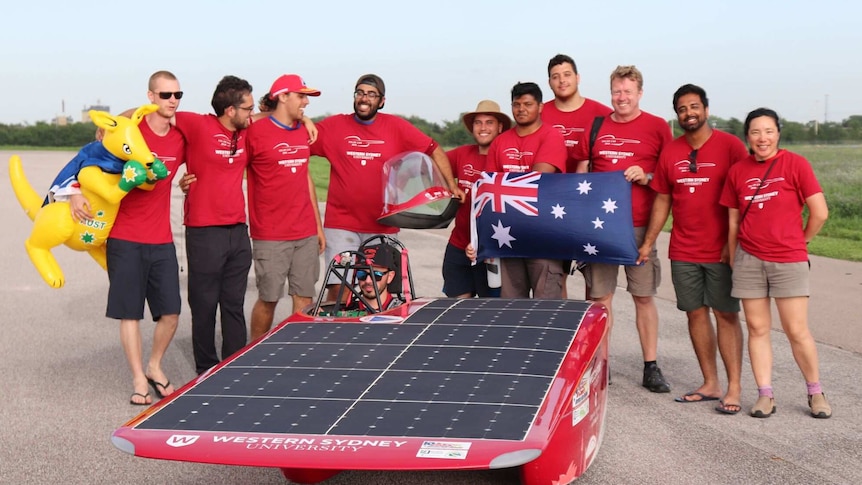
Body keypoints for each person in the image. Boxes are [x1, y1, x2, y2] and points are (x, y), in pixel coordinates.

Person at [71, 70, 185, 405]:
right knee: (129, 313)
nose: (173, 101)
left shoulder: (180, 138)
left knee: (171, 313)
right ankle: (138, 378)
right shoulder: (127, 132)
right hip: (124, 239)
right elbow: (82, 163)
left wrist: (187, 180)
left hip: (162, 238)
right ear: (150, 97)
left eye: (178, 95)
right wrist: (74, 192)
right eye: (165, 95)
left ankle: (154, 365)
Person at [637, 84, 748, 413]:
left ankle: (735, 388)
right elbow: (662, 199)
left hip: (721, 250)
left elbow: (745, 194)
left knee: (726, 314)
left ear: (706, 109)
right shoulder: (671, 151)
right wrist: (647, 242)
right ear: (678, 114)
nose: (689, 113)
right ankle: (710, 383)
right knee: (695, 314)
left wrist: (738, 244)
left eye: (694, 106)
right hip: (684, 249)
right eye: (683, 109)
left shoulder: (730, 147)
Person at [310, 74, 464, 301]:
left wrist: (451, 186)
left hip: (383, 225)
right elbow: (296, 139)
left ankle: (374, 334)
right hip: (341, 224)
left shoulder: (396, 127)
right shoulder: (333, 126)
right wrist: (300, 120)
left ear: (381, 101)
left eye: (371, 94)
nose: (364, 98)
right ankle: (339, 333)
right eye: (360, 92)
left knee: (380, 292)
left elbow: (433, 149)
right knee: (339, 290)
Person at [720, 108, 830, 419]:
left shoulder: (795, 164)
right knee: (757, 328)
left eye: (768, 131)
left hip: (788, 259)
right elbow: (733, 222)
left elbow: (819, 212)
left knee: (796, 330)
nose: (762, 138)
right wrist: (734, 259)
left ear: (778, 133)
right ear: (748, 137)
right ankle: (765, 394)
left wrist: (801, 241)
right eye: (756, 132)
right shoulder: (738, 171)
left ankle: (815, 391)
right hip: (749, 259)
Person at [571, 65, 673, 392]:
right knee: (600, 299)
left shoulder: (657, 127)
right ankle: (602, 363)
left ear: (640, 93)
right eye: (617, 91)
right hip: (601, 227)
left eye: (628, 91)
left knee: (643, 296)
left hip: (639, 226)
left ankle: (651, 365)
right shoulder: (597, 126)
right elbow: (582, 171)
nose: (622, 97)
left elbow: (668, 177)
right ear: (610, 92)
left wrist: (647, 176)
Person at [175, 75, 255, 374]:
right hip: (204, 230)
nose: (251, 113)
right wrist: (112, 123)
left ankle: (234, 368)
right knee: (205, 305)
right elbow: (153, 112)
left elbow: (268, 115)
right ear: (230, 110)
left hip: (237, 230)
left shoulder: (247, 128)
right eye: (245, 108)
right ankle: (206, 369)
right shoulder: (198, 125)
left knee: (234, 304)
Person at [245, 74, 325, 340]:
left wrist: (318, 227)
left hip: (305, 232)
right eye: (301, 96)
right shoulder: (254, 132)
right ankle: (253, 352)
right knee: (268, 299)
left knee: (304, 298)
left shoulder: (303, 130)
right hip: (270, 234)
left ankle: (295, 354)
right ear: (282, 96)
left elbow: (305, 178)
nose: (305, 102)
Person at [485, 82, 567, 299]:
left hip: (543, 234)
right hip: (508, 234)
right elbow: (490, 187)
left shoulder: (552, 136)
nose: (521, 109)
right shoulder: (500, 142)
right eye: (516, 104)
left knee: (546, 304)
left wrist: (507, 183)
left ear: (540, 107)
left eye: (528, 104)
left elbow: (538, 179)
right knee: (511, 305)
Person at [542, 54, 613, 298]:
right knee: (554, 279)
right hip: (552, 207)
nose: (562, 81)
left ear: (578, 77)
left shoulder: (602, 114)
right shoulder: (539, 114)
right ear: (549, 82)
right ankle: (563, 333)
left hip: (589, 208)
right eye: (555, 76)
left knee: (595, 287)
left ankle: (590, 334)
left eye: (567, 74)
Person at [442, 100, 510, 298]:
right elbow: (434, 163)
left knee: (489, 316)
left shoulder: (506, 159)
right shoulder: (463, 153)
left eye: (489, 122)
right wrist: (451, 185)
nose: (483, 128)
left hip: (493, 251)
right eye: (478, 122)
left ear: (500, 127)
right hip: (459, 245)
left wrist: (485, 245)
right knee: (457, 311)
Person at [344, 243, 404, 312]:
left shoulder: (402, 312)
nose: (368, 281)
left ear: (390, 277)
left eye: (376, 275)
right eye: (361, 274)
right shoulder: (346, 313)